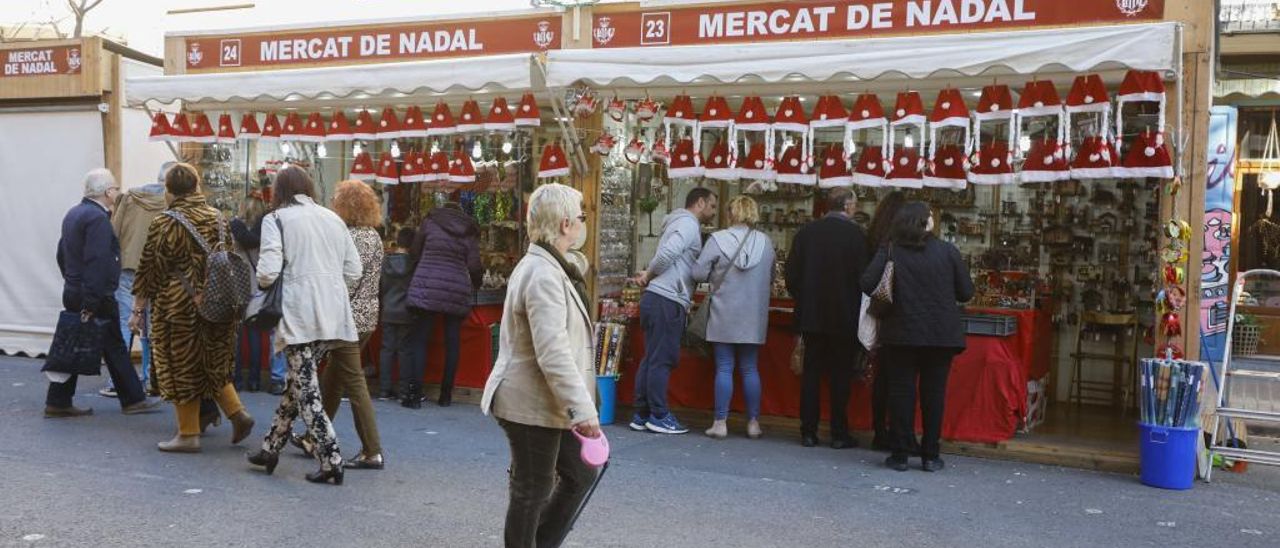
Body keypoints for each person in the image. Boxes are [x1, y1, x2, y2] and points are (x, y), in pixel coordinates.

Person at [480, 183, 600, 548]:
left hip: (546, 401)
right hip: (530, 401)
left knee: (579, 474)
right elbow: (554, 352)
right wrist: (583, 410)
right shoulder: (544, 274)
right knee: (532, 489)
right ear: (566, 224)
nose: (583, 224)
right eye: (580, 217)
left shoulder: (552, 267)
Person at [246, 166, 361, 485]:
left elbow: (267, 272)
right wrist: (332, 291)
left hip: (299, 314)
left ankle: (331, 457)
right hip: (333, 314)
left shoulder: (277, 219)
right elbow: (354, 269)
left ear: (279, 190)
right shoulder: (332, 218)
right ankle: (270, 448)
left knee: (306, 390)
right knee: (299, 384)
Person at [131, 163, 253, 453]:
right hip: (217, 302)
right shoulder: (219, 218)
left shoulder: (165, 222)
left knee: (181, 366)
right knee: (213, 363)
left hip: (179, 307)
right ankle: (237, 413)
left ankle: (187, 434)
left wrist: (137, 308)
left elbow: (150, 268)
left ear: (168, 190)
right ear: (197, 187)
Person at [862, 202, 974, 472]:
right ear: (926, 223)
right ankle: (931, 455)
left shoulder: (890, 250)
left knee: (902, 393)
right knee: (933, 394)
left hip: (901, 333)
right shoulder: (948, 252)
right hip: (941, 334)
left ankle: (900, 454)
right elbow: (966, 292)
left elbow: (866, 283)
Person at [44, 168, 161, 418]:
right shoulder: (98, 219)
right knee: (113, 345)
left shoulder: (74, 213)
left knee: (76, 343)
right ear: (108, 192)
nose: (117, 193)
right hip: (94, 293)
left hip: (77, 289)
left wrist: (72, 280)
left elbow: (62, 253)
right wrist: (93, 298)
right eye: (115, 188)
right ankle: (132, 399)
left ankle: (59, 400)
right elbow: (98, 260)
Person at [301, 180, 385, 470]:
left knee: (352, 383)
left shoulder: (358, 237)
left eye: (336, 199)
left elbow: (349, 279)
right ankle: (314, 437)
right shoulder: (369, 235)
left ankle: (372, 450)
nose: (332, 203)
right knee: (334, 380)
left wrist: (324, 305)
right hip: (362, 316)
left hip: (348, 318)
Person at [784, 187, 868, 450]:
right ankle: (839, 433)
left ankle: (808, 431)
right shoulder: (857, 236)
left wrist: (804, 298)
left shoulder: (806, 233)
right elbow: (865, 279)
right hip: (845, 316)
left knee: (811, 375)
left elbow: (791, 276)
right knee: (841, 376)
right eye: (854, 203)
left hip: (811, 315)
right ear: (848, 206)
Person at [629, 187, 717, 435]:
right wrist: (649, 273)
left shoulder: (677, 223)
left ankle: (642, 412)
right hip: (667, 299)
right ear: (699, 203)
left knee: (651, 357)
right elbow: (667, 254)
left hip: (658, 298)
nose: (712, 212)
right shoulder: (688, 225)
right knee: (662, 358)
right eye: (711, 206)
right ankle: (658, 414)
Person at [692, 195, 774, 440]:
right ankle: (753, 423)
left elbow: (698, 272)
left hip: (724, 312)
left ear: (730, 214)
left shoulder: (718, 239)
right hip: (753, 315)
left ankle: (720, 423)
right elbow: (770, 278)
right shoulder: (766, 242)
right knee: (750, 369)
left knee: (724, 367)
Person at [101, 161, 172, 398]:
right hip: (160, 271)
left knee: (124, 323)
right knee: (153, 327)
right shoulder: (171, 203)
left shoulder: (130, 198)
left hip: (129, 267)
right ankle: (152, 379)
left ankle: (116, 381)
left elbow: (114, 231)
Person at [405, 203, 482, 408]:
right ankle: (446, 396)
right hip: (456, 288)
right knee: (452, 342)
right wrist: (477, 284)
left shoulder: (429, 223)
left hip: (426, 285)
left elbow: (415, 252)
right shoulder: (468, 231)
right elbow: (474, 265)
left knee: (420, 340)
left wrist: (415, 274)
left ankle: (414, 397)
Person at [230, 194, 287, 395]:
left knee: (236, 335)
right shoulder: (266, 230)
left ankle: (236, 379)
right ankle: (254, 379)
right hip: (258, 287)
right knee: (255, 334)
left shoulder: (234, 228)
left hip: (238, 285)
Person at [864, 191, 907, 451]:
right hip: (899, 317)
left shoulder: (875, 239)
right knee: (898, 379)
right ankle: (896, 432)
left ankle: (879, 431)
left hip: (878, 311)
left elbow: (867, 280)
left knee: (882, 377)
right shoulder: (903, 244)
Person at [378, 226, 417, 400]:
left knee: (387, 349)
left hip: (388, 309)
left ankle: (384, 389)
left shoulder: (386, 261)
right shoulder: (413, 263)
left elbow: (381, 287)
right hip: (406, 311)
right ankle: (404, 390)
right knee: (404, 350)